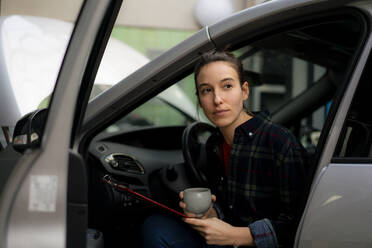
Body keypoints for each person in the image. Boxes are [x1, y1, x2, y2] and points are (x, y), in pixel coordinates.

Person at [142, 51, 308, 248]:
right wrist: (211, 214)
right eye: (206, 90)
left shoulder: (281, 143)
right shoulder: (214, 143)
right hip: (224, 242)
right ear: (200, 99)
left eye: (227, 86)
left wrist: (236, 236)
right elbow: (230, 211)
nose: (217, 99)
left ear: (244, 90)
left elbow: (303, 225)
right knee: (155, 225)